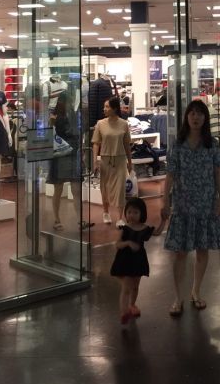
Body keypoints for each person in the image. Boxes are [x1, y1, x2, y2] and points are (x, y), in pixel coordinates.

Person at [161, 100, 220, 316]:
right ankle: (177, 297)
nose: (195, 117)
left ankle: (196, 291)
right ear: (186, 117)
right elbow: (170, 174)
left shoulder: (212, 144)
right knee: (180, 252)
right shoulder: (177, 144)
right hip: (183, 204)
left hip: (206, 203)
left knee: (202, 249)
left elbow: (218, 172)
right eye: (192, 113)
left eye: (199, 114)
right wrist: (165, 200)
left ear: (205, 118)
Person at [110, 196, 166, 325]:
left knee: (135, 286)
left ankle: (132, 305)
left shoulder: (144, 228)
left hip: (138, 261)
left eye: (135, 212)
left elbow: (157, 232)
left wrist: (163, 221)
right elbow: (117, 244)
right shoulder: (124, 229)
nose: (132, 215)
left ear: (142, 214)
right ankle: (124, 312)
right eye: (129, 212)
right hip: (125, 261)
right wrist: (128, 243)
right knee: (126, 287)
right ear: (126, 213)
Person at [48, 92, 92, 231]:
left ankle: (79, 220)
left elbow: (79, 132)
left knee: (75, 189)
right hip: (61, 154)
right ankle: (57, 219)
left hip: (72, 153)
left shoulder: (73, 115)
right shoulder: (56, 117)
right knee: (59, 188)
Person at [92, 96, 132, 226]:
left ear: (114, 108)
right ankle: (106, 212)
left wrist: (130, 162)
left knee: (120, 188)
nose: (104, 109)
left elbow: (127, 144)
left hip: (120, 160)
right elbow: (96, 143)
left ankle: (120, 217)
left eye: (107, 106)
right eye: (104, 106)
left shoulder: (124, 124)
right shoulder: (100, 124)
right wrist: (95, 161)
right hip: (105, 159)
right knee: (105, 187)